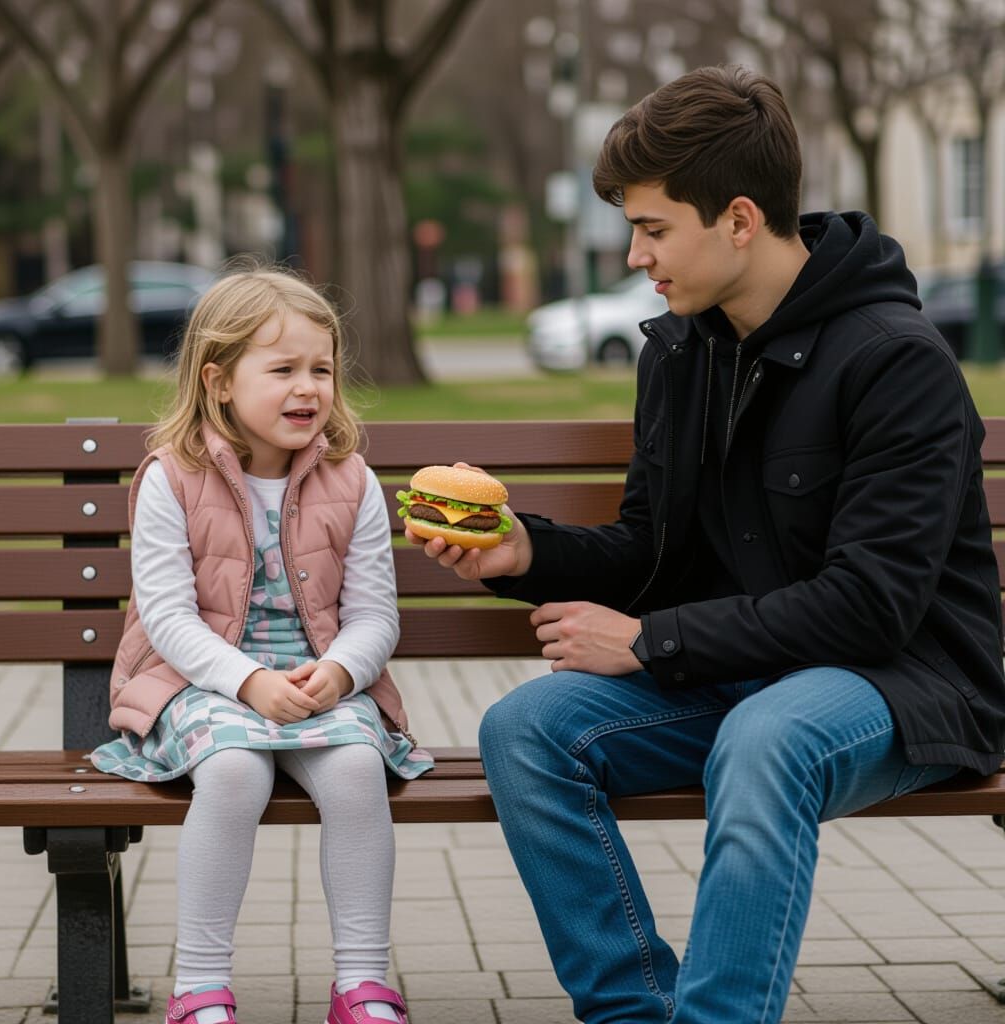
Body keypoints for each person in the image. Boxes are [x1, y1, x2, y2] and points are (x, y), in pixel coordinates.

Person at [408, 65, 1005, 1024]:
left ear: (736, 219)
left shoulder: (898, 361)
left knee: (769, 738)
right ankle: (636, 1013)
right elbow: (654, 550)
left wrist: (649, 644)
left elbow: (873, 606)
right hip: (741, 673)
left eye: (652, 228)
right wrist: (525, 554)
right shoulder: (680, 348)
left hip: (902, 682)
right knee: (526, 731)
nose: (637, 256)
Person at [91, 267, 431, 1024]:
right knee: (236, 772)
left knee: (353, 770)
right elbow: (169, 620)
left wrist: (341, 673)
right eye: (282, 371)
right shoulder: (171, 480)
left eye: (321, 369)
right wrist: (247, 683)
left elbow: (376, 614)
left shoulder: (353, 480)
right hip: (198, 683)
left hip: (318, 683)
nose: (308, 388)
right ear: (218, 381)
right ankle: (201, 986)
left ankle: (362, 984)